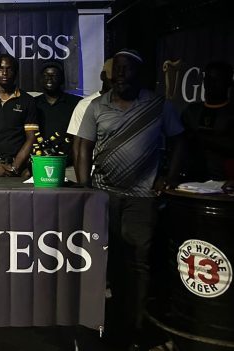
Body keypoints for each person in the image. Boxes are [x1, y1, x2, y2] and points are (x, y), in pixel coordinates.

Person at [75, 49, 184, 350]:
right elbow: (83, 145)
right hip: (104, 195)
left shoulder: (158, 105)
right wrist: (86, 187)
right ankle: (108, 322)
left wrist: (170, 178)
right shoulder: (98, 106)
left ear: (140, 73)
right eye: (116, 69)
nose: (120, 74)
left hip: (142, 197)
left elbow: (178, 140)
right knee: (106, 262)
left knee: (138, 263)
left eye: (127, 69)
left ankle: (137, 326)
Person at [180, 61, 234, 191]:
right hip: (190, 183)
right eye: (208, 79)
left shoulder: (232, 113)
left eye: (217, 79)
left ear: (228, 82)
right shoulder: (191, 111)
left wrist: (201, 138)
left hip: (224, 185)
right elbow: (178, 146)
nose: (210, 84)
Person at [67, 58, 113, 163]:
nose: (116, 83)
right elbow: (77, 146)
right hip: (94, 169)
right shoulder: (85, 105)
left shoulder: (131, 105)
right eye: (112, 79)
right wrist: (82, 178)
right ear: (102, 76)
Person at [35, 60, 81, 140]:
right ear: (41, 79)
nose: (49, 78)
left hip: (67, 151)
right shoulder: (33, 103)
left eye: (54, 75)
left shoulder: (76, 103)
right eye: (46, 75)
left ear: (62, 79)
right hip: (38, 151)